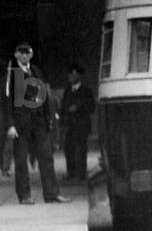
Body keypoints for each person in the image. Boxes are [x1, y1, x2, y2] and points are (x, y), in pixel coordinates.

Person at [2, 42, 69, 204]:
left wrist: (48, 119)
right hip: (21, 123)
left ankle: (52, 194)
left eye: (27, 53)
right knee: (21, 160)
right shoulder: (11, 74)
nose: (25, 56)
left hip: (39, 121)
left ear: (31, 55)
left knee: (46, 157)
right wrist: (10, 125)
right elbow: (6, 101)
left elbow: (44, 96)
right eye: (21, 53)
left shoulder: (36, 71)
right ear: (16, 54)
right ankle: (24, 195)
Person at [60, 63, 95, 181]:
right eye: (70, 74)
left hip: (81, 125)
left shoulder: (86, 91)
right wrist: (62, 123)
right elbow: (63, 108)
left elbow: (91, 107)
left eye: (73, 74)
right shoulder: (67, 91)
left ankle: (80, 173)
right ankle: (71, 172)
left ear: (79, 76)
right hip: (70, 125)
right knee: (68, 149)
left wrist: (78, 107)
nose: (70, 76)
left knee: (80, 149)